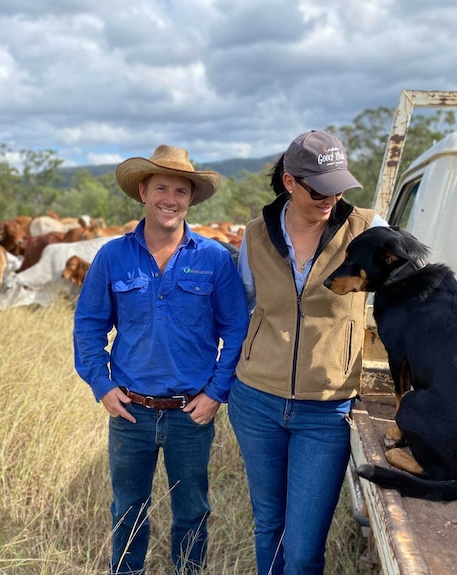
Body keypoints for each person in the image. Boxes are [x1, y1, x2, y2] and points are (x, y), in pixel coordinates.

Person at [73, 145, 250, 575]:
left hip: (191, 414)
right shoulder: (113, 257)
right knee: (127, 510)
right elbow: (88, 327)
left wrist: (215, 393)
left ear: (191, 199)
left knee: (192, 509)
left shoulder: (213, 259)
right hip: (130, 410)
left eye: (181, 191)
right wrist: (102, 385)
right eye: (161, 188)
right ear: (143, 192)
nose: (171, 199)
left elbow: (238, 330)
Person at [228, 130, 388, 575]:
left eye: (338, 187)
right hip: (257, 401)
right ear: (290, 182)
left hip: (326, 409)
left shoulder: (368, 230)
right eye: (319, 188)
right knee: (269, 528)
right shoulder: (257, 235)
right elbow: (242, 306)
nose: (330, 198)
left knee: (302, 551)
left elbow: (408, 283)